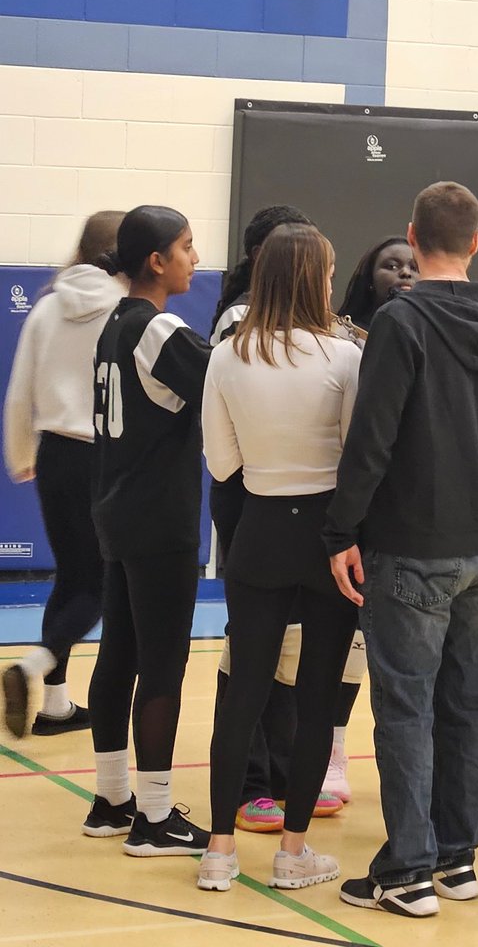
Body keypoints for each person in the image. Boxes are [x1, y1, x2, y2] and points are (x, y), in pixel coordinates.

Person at [324, 181, 478, 918]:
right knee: (465, 704)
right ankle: (455, 857)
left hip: (412, 546)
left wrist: (341, 531)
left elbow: (370, 441)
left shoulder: (401, 320)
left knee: (406, 709)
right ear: (475, 242)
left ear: (414, 239)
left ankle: (408, 870)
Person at [199, 223, 361, 893]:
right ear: (312, 280)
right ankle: (294, 851)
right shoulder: (346, 357)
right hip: (327, 536)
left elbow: (222, 461)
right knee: (318, 697)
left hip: (259, 530)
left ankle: (218, 850)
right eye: (326, 272)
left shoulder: (228, 356)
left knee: (245, 691)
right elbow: (359, 458)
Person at [83, 205, 211, 857]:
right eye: (187, 247)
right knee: (162, 662)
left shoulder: (116, 323)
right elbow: (222, 382)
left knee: (121, 654)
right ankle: (156, 818)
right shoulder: (159, 327)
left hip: (116, 508)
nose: (195, 257)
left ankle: (111, 799)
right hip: (158, 517)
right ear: (157, 260)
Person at [2, 211, 125, 738]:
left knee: (70, 577)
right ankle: (35, 665)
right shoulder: (127, 309)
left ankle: (55, 706)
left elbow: (20, 388)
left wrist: (20, 454)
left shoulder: (48, 308)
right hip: (104, 458)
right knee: (99, 585)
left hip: (54, 455)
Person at [337, 236, 418, 331]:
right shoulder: (347, 334)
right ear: (370, 278)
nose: (406, 272)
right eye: (392, 266)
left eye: (414, 268)